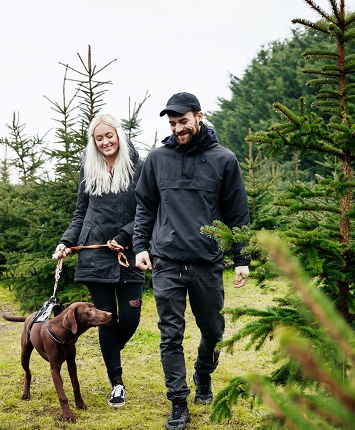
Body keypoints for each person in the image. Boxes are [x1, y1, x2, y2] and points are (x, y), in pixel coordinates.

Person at [132, 92, 251, 430]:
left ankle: (203, 373)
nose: (178, 129)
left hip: (206, 262)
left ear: (199, 116)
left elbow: (237, 213)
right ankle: (178, 403)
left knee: (213, 331)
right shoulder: (157, 159)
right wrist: (140, 245)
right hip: (167, 262)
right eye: (172, 124)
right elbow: (145, 207)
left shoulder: (224, 160)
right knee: (170, 334)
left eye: (183, 122)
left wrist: (242, 256)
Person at [54, 113, 145, 408]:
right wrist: (67, 241)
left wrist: (126, 234)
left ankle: (110, 353)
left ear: (118, 135)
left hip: (128, 254)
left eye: (109, 135)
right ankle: (116, 382)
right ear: (93, 142)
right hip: (94, 255)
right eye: (99, 138)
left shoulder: (138, 168)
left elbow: (147, 210)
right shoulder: (89, 169)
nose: (105, 142)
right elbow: (81, 213)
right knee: (106, 319)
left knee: (130, 319)